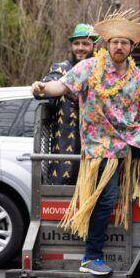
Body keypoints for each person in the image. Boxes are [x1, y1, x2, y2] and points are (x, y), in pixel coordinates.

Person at [31, 9, 140, 276]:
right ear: (107, 44)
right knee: (107, 199)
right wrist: (43, 88)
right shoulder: (90, 68)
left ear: (131, 47)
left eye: (124, 42)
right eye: (115, 42)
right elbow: (62, 86)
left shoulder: (137, 77)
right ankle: (91, 257)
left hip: (129, 136)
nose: (119, 46)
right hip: (100, 143)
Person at [34, 23, 98, 185]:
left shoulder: (101, 70)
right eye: (76, 43)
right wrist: (41, 87)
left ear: (94, 46)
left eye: (85, 43)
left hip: (96, 149)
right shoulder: (62, 69)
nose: (80, 48)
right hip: (65, 150)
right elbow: (47, 85)